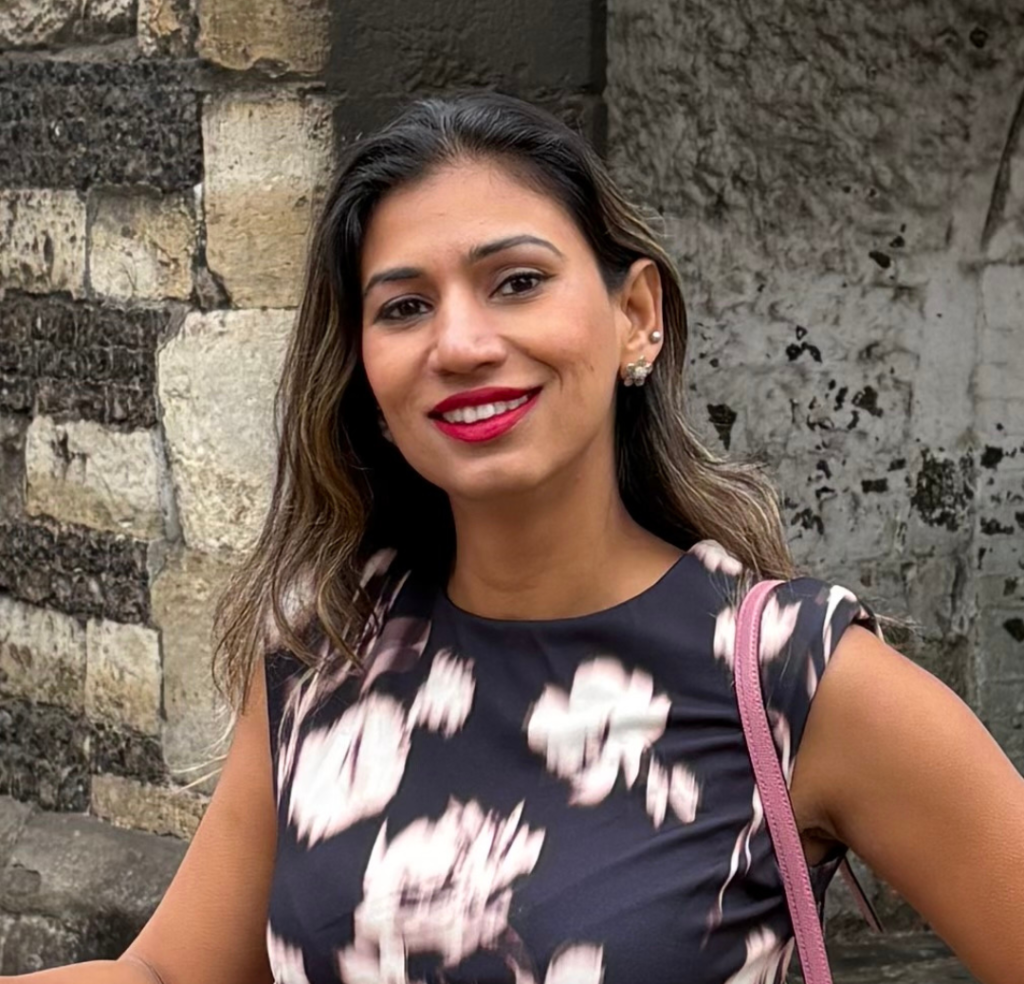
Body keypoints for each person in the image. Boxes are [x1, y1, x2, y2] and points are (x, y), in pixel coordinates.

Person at [7, 90, 1022, 984]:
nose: (461, 343)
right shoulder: (323, 661)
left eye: (517, 281)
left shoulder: (794, 678)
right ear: (365, 369)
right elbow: (167, 970)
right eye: (405, 306)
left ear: (636, 317)